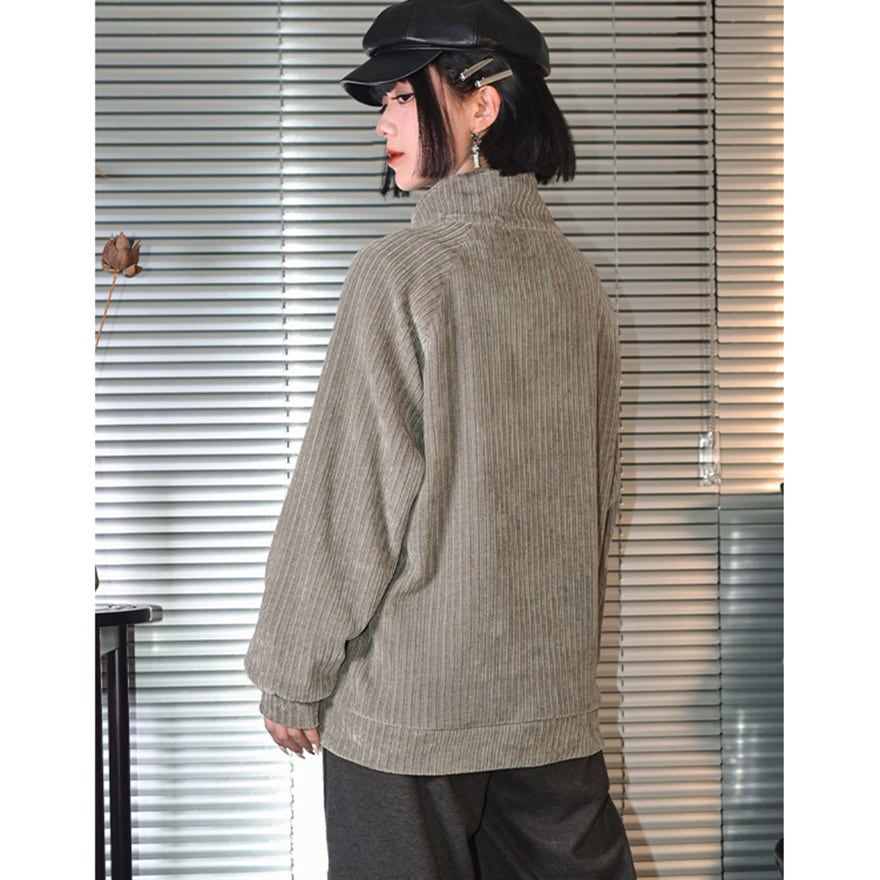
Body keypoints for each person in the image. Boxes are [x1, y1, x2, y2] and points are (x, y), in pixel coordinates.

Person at [245, 0, 637, 876]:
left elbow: (347, 496)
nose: (380, 123)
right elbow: (598, 503)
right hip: (547, 704)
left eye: (398, 97)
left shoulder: (402, 273)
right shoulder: (578, 282)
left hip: (410, 714)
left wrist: (291, 673)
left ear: (481, 104)